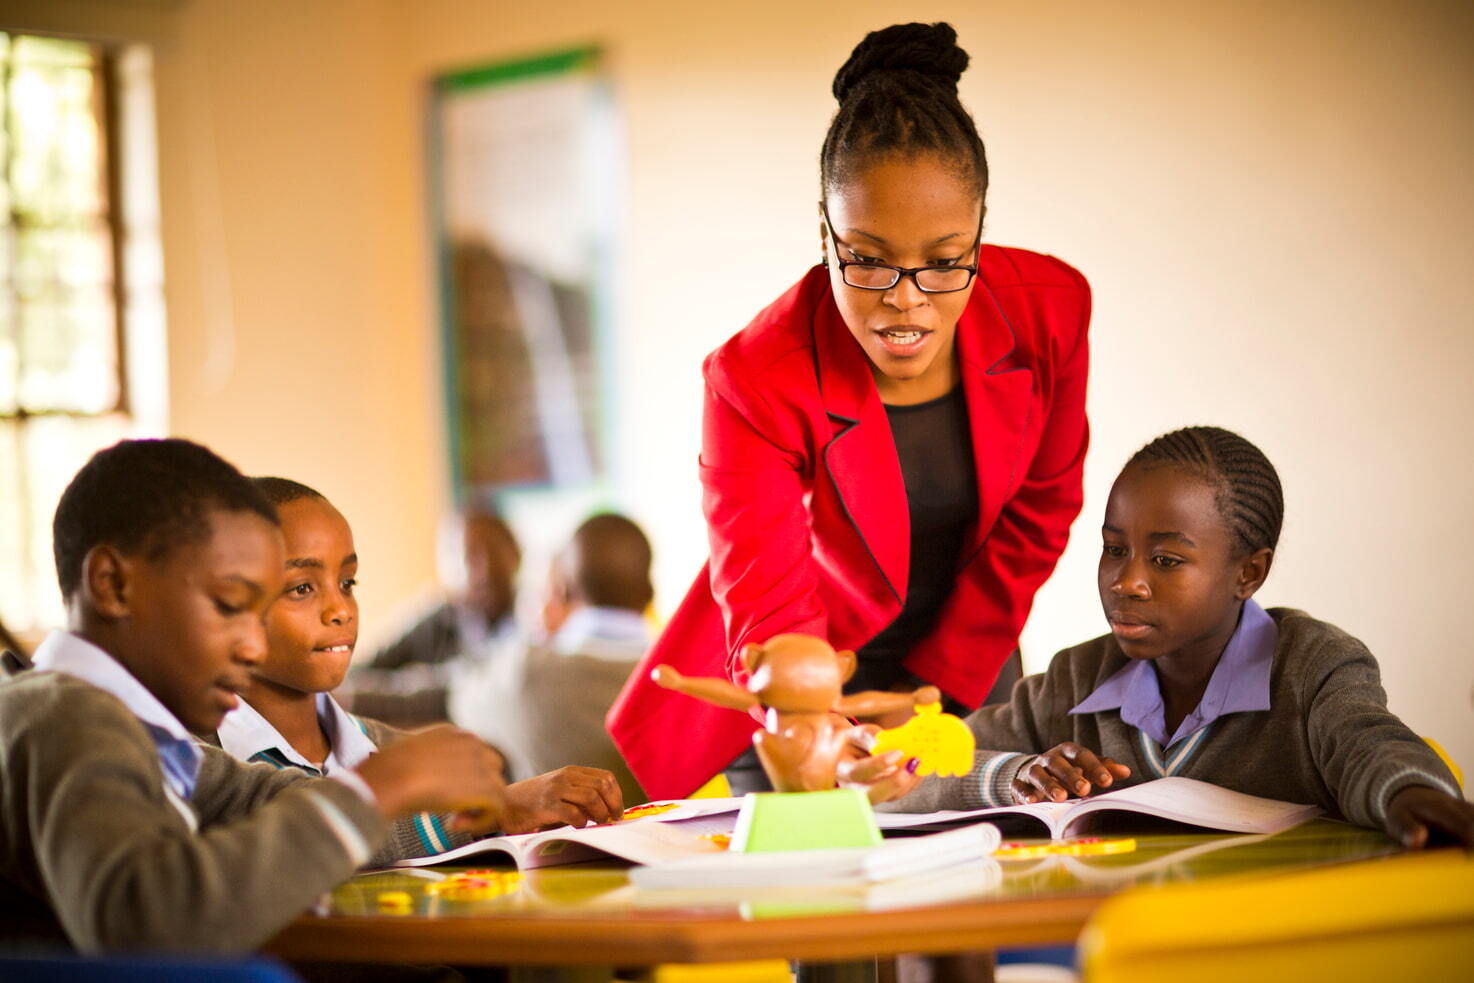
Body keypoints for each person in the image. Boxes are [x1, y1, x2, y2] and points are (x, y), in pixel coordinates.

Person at [609, 22, 1091, 798]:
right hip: (799, 687)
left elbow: (1042, 509)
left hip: (966, 662)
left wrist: (938, 699)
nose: (905, 301)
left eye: (943, 261)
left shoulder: (1051, 311)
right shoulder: (753, 378)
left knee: (983, 882)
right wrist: (821, 733)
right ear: (824, 231)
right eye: (866, 258)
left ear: (979, 235)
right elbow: (773, 608)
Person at [0, 439, 508, 952]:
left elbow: (260, 799)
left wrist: (456, 803)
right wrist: (372, 791)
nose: (252, 643)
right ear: (112, 584)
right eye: (230, 605)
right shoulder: (70, 716)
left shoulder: (136, 733)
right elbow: (141, 920)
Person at [861, 427, 1473, 849]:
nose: (1127, 582)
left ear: (1248, 573)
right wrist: (1014, 777)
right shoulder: (1074, 681)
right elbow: (897, 775)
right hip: (1117, 950)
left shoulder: (1312, 666)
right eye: (1114, 550)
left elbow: (1370, 747)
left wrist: (1411, 796)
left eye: (1167, 561)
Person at [210, 477, 622, 866]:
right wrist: (501, 807)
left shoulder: (386, 746)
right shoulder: (197, 756)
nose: (340, 610)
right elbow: (291, 829)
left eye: (348, 583)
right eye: (302, 587)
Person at [452, 513, 653, 804]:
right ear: (649, 593)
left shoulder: (525, 675)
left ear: (564, 589)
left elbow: (457, 700)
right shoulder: (691, 677)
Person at [340, 506, 521, 727]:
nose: (482, 571)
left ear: (515, 553)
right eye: (468, 557)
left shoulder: (535, 621)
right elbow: (358, 670)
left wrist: (352, 697)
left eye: (492, 552)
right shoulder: (441, 617)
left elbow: (462, 691)